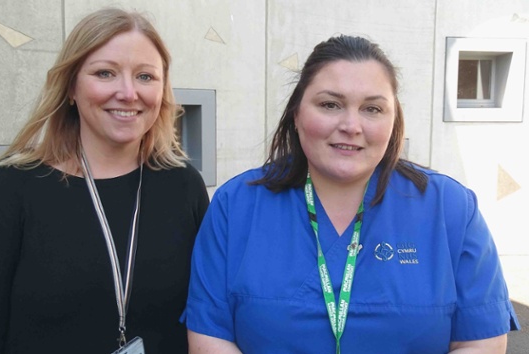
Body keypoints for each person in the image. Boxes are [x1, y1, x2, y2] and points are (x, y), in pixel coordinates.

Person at [182, 35, 520, 353]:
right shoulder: (237, 205)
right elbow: (209, 337)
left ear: (393, 120)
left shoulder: (451, 209)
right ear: (297, 114)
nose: (351, 126)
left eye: (372, 109)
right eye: (330, 104)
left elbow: (482, 343)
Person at [0, 8, 209, 354]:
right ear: (71, 86)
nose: (128, 93)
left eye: (145, 77)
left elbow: (209, 315)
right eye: (105, 73)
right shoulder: (7, 189)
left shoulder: (183, 184)